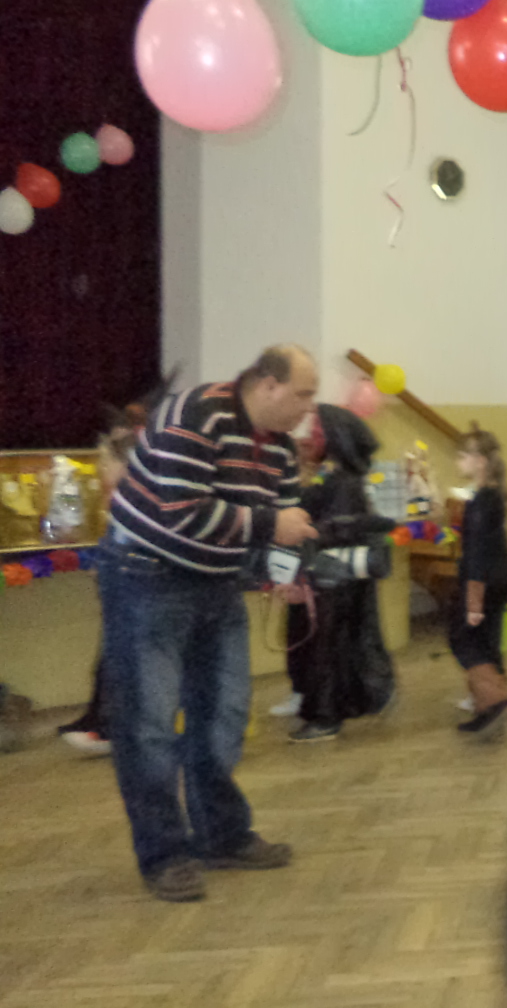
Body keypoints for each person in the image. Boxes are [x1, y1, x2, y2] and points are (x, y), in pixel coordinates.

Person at [98, 344, 318, 902]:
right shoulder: (196, 414)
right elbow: (184, 512)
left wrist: (286, 569)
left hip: (216, 583)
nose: (308, 408)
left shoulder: (280, 447)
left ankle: (222, 836)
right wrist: (272, 527)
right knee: (148, 725)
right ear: (267, 384)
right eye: (303, 395)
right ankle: (163, 855)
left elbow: (283, 519)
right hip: (146, 574)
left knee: (224, 714)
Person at [284, 404, 399, 743]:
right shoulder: (332, 476)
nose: (311, 434)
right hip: (329, 578)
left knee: (328, 648)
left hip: (334, 582)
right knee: (325, 645)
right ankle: (324, 709)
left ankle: (325, 716)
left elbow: (339, 529)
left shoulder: (343, 481)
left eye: (318, 429)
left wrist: (307, 529)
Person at [61, 389, 165, 756]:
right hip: (124, 578)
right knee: (112, 657)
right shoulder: (122, 492)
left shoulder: (148, 489)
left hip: (143, 584)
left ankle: (111, 727)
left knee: (125, 660)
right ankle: (100, 722)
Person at [451, 428, 507, 738]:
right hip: (500, 575)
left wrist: (473, 600)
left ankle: (495, 700)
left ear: (480, 461)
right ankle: (486, 708)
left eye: (462, 455)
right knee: (486, 641)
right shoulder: (491, 494)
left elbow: (477, 552)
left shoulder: (482, 501)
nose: (458, 461)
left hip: (484, 579)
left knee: (465, 640)